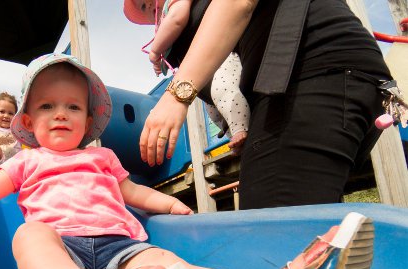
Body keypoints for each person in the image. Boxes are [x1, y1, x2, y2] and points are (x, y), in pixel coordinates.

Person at [0, 53, 374, 269]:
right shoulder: (27, 160)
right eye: (47, 107)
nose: (61, 113)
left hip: (122, 247)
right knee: (28, 235)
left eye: (73, 107)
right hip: (61, 249)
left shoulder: (100, 156)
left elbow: (129, 192)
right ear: (26, 119)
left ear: (88, 120)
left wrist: (168, 205)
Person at [130, 0, 394, 209]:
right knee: (309, 243)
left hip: (311, 70)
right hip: (309, 79)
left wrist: (176, 97)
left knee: (269, 238)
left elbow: (236, 3)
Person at [124, 0, 249, 150]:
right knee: (213, 111)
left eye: (150, 0)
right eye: (143, 6)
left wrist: (156, 51)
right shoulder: (162, 25)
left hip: (220, 57)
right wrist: (160, 63)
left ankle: (240, 129)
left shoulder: (172, 5)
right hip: (203, 79)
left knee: (223, 89)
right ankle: (232, 134)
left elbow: (177, 20)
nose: (149, 5)